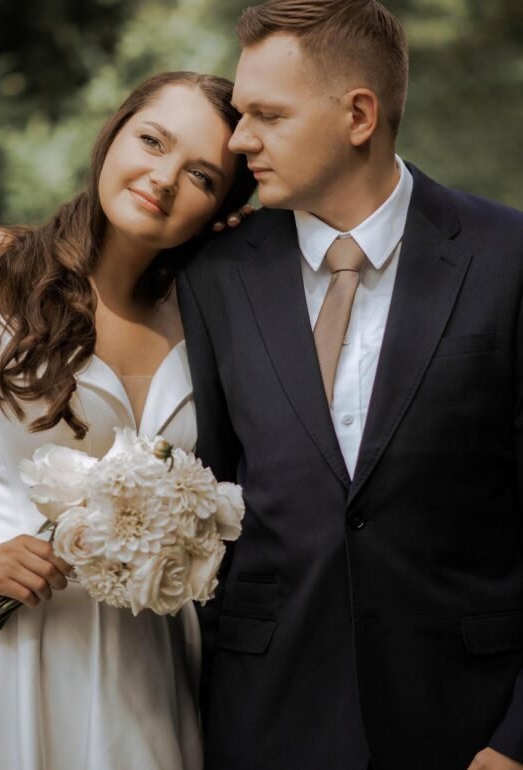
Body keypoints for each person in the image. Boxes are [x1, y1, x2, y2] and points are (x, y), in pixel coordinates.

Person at [0, 70, 254, 770]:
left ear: (222, 206)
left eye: (201, 175)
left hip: (146, 662)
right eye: (152, 140)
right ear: (113, 133)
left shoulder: (206, 319)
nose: (163, 178)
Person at [176, 2, 523, 769]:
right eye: (239, 115)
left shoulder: (509, 257)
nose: (239, 141)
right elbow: (221, 492)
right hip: (265, 720)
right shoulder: (215, 276)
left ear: (359, 114)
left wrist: (516, 740)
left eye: (266, 114)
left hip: (471, 724)